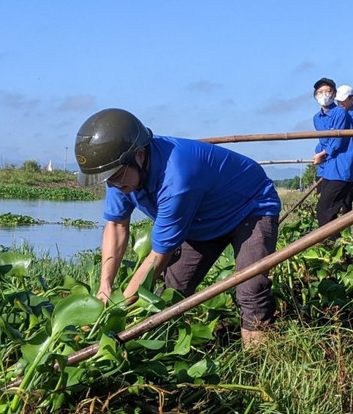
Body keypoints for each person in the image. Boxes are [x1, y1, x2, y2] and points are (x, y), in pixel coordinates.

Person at [76, 108, 281, 345]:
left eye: (116, 177)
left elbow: (159, 255)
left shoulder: (176, 177)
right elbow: (117, 224)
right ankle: (163, 349)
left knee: (250, 287)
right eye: (108, 179)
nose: (112, 184)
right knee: (170, 292)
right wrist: (105, 289)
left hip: (249, 207)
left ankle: (258, 358)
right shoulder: (119, 177)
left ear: (140, 156)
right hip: (202, 217)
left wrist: (116, 310)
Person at [310, 77, 353, 226]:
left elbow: (337, 141)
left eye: (328, 92)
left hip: (342, 166)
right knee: (326, 209)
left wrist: (322, 155)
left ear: (334, 94)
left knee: (325, 208)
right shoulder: (317, 118)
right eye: (320, 92)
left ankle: (333, 245)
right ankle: (335, 244)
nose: (324, 95)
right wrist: (321, 156)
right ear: (315, 95)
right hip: (328, 168)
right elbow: (323, 142)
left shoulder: (340, 113)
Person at [335, 84, 353, 211]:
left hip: (350, 155)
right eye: (338, 100)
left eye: (343, 100)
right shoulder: (341, 113)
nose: (340, 103)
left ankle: (351, 215)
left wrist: (349, 148)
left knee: (346, 187)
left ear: (351, 99)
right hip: (342, 154)